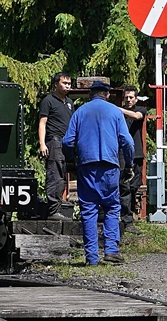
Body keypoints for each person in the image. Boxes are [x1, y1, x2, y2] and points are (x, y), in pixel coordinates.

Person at [62, 80, 135, 265]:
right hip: (110, 166)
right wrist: (129, 165)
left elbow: (67, 142)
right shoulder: (115, 112)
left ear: (90, 94)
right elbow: (128, 142)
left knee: (88, 210)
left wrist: (71, 160)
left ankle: (91, 258)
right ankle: (111, 251)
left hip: (86, 167)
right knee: (111, 207)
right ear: (108, 95)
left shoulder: (80, 112)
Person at [37, 72, 74, 221]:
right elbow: (42, 123)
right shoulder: (48, 101)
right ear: (56, 84)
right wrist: (42, 143)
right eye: (64, 83)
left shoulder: (70, 102)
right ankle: (53, 210)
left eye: (69, 84)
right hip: (54, 142)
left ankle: (60, 207)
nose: (67, 86)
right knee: (54, 176)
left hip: (68, 144)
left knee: (63, 177)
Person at [116, 86, 149, 234]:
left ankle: (129, 215)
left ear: (136, 98)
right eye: (126, 97)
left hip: (136, 154)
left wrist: (119, 110)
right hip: (122, 154)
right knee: (124, 187)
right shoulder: (118, 114)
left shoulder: (140, 110)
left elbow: (137, 117)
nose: (128, 100)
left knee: (134, 186)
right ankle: (127, 220)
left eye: (131, 97)